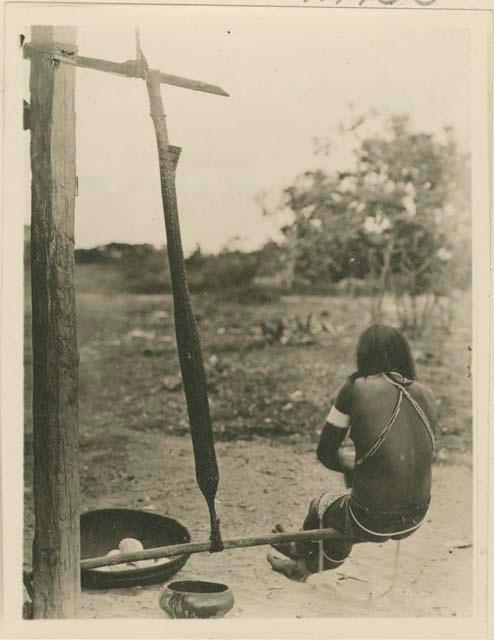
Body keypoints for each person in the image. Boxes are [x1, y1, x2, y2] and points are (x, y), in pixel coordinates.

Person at [267, 324, 437, 582]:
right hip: (416, 517)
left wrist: (348, 467)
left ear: (364, 355)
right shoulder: (427, 394)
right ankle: (300, 568)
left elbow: (325, 452)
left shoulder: (355, 388)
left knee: (322, 505)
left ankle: (297, 551)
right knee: (347, 517)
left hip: (371, 519)